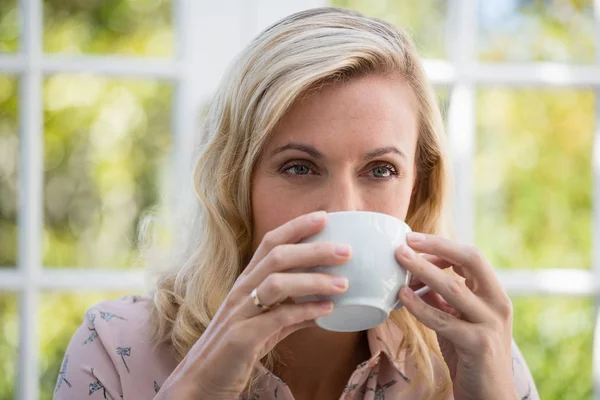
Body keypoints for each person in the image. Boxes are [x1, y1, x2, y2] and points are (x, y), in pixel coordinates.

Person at [53, 7, 539, 400]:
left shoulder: (473, 354)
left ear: (420, 187)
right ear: (235, 183)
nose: (341, 207)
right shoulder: (117, 349)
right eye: (299, 167)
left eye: (380, 170)